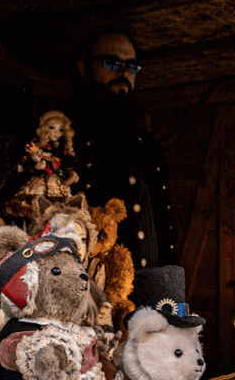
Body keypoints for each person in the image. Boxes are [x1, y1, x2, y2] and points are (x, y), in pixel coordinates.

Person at [66, 33, 178, 272]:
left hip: (149, 288)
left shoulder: (147, 144)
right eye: (112, 63)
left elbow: (164, 226)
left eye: (132, 66)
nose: (123, 73)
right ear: (84, 67)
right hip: (92, 286)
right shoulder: (65, 136)